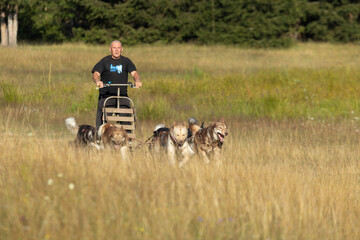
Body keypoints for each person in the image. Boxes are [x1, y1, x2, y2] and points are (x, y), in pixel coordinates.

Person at [92, 40, 142, 129]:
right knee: (102, 118)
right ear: (110, 49)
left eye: (118, 48)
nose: (116, 50)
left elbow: (134, 73)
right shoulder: (104, 61)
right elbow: (95, 74)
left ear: (122, 49)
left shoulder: (126, 61)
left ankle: (128, 138)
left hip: (122, 95)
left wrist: (137, 81)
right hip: (107, 95)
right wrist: (98, 81)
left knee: (127, 116)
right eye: (114, 48)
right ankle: (99, 137)